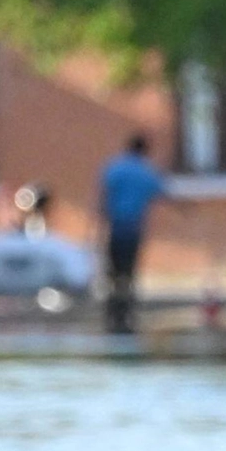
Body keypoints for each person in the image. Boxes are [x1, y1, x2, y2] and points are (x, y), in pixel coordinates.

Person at [98, 134, 168, 334]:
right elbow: (162, 191)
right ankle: (127, 310)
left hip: (116, 228)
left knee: (113, 271)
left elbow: (103, 196)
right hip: (133, 230)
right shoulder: (146, 171)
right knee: (129, 272)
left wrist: (98, 226)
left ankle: (113, 311)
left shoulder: (115, 168)